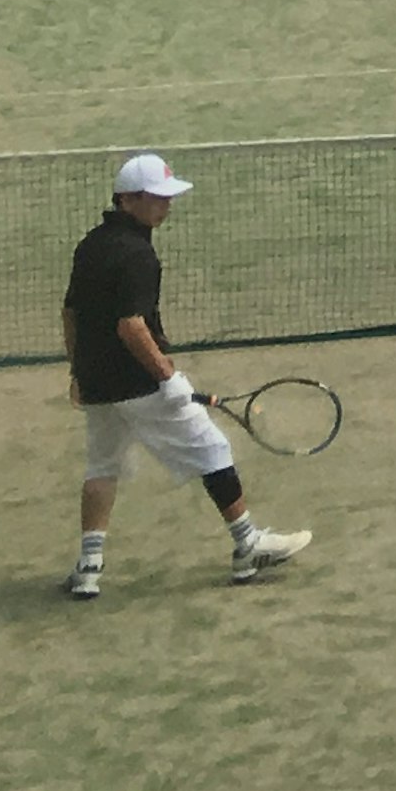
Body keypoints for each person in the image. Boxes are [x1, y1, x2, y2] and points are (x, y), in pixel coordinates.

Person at [59, 155, 311, 598]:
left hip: (99, 384)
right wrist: (168, 380)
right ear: (129, 200)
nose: (167, 207)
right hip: (137, 384)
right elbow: (131, 326)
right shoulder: (138, 254)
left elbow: (71, 313)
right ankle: (248, 545)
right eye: (158, 198)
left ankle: (88, 567)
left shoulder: (91, 243)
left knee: (102, 467)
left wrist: (78, 371)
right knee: (214, 450)